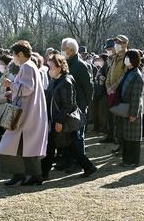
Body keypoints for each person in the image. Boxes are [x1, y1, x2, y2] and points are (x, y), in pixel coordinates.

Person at [0, 40, 48, 186]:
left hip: (25, 112)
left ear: (20, 54)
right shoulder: (31, 65)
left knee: (15, 143)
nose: (13, 57)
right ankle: (30, 175)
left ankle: (22, 174)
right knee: (25, 144)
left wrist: (10, 84)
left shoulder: (26, 66)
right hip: (29, 111)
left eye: (14, 54)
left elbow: (27, 89)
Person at [41, 54, 97, 179]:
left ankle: (43, 173)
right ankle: (88, 166)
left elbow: (68, 104)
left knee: (52, 147)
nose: (49, 70)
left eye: (51, 67)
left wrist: (59, 121)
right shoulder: (55, 81)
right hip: (56, 119)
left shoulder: (65, 81)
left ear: (60, 67)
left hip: (61, 120)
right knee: (69, 146)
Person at [60, 38, 93, 173]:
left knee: (78, 135)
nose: (62, 51)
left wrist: (85, 104)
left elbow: (88, 87)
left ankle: (79, 162)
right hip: (68, 104)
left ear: (72, 50)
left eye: (64, 48)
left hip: (78, 105)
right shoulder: (66, 63)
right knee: (68, 135)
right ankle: (68, 160)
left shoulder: (80, 65)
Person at [115, 49, 144, 167]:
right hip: (124, 108)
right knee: (125, 137)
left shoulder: (137, 75)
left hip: (131, 109)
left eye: (128, 57)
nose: (126, 60)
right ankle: (126, 160)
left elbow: (136, 97)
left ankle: (132, 161)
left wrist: (133, 113)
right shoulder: (127, 72)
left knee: (132, 138)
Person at [101, 35, 129, 152]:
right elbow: (109, 75)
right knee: (116, 121)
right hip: (112, 93)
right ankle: (120, 144)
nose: (117, 45)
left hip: (121, 93)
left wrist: (113, 87)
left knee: (123, 121)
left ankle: (124, 146)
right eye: (116, 42)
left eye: (119, 43)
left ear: (125, 45)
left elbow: (124, 75)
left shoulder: (127, 58)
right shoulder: (114, 58)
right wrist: (108, 86)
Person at [92, 54, 109, 133]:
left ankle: (103, 128)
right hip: (98, 92)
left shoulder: (107, 67)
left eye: (100, 60)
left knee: (103, 112)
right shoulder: (100, 68)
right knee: (97, 111)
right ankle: (97, 127)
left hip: (104, 93)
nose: (99, 61)